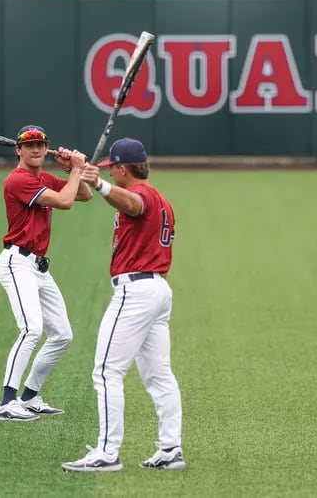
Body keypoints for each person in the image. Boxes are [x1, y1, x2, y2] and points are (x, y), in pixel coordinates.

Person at [62, 138, 185, 472]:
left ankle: (106, 453)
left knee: (106, 371)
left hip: (137, 291)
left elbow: (132, 204)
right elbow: (89, 196)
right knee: (159, 376)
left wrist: (98, 182)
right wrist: (75, 172)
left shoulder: (142, 196)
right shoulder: (162, 198)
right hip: (157, 291)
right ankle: (171, 449)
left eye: (110, 169)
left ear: (121, 168)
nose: (108, 174)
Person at [0, 125, 92, 422]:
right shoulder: (18, 179)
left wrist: (73, 170)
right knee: (31, 329)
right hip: (16, 262)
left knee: (62, 334)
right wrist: (75, 169)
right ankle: (6, 403)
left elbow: (83, 195)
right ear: (18, 150)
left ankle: (30, 396)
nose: (36, 149)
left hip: (38, 266)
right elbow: (65, 202)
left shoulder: (42, 177)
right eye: (30, 145)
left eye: (40, 144)